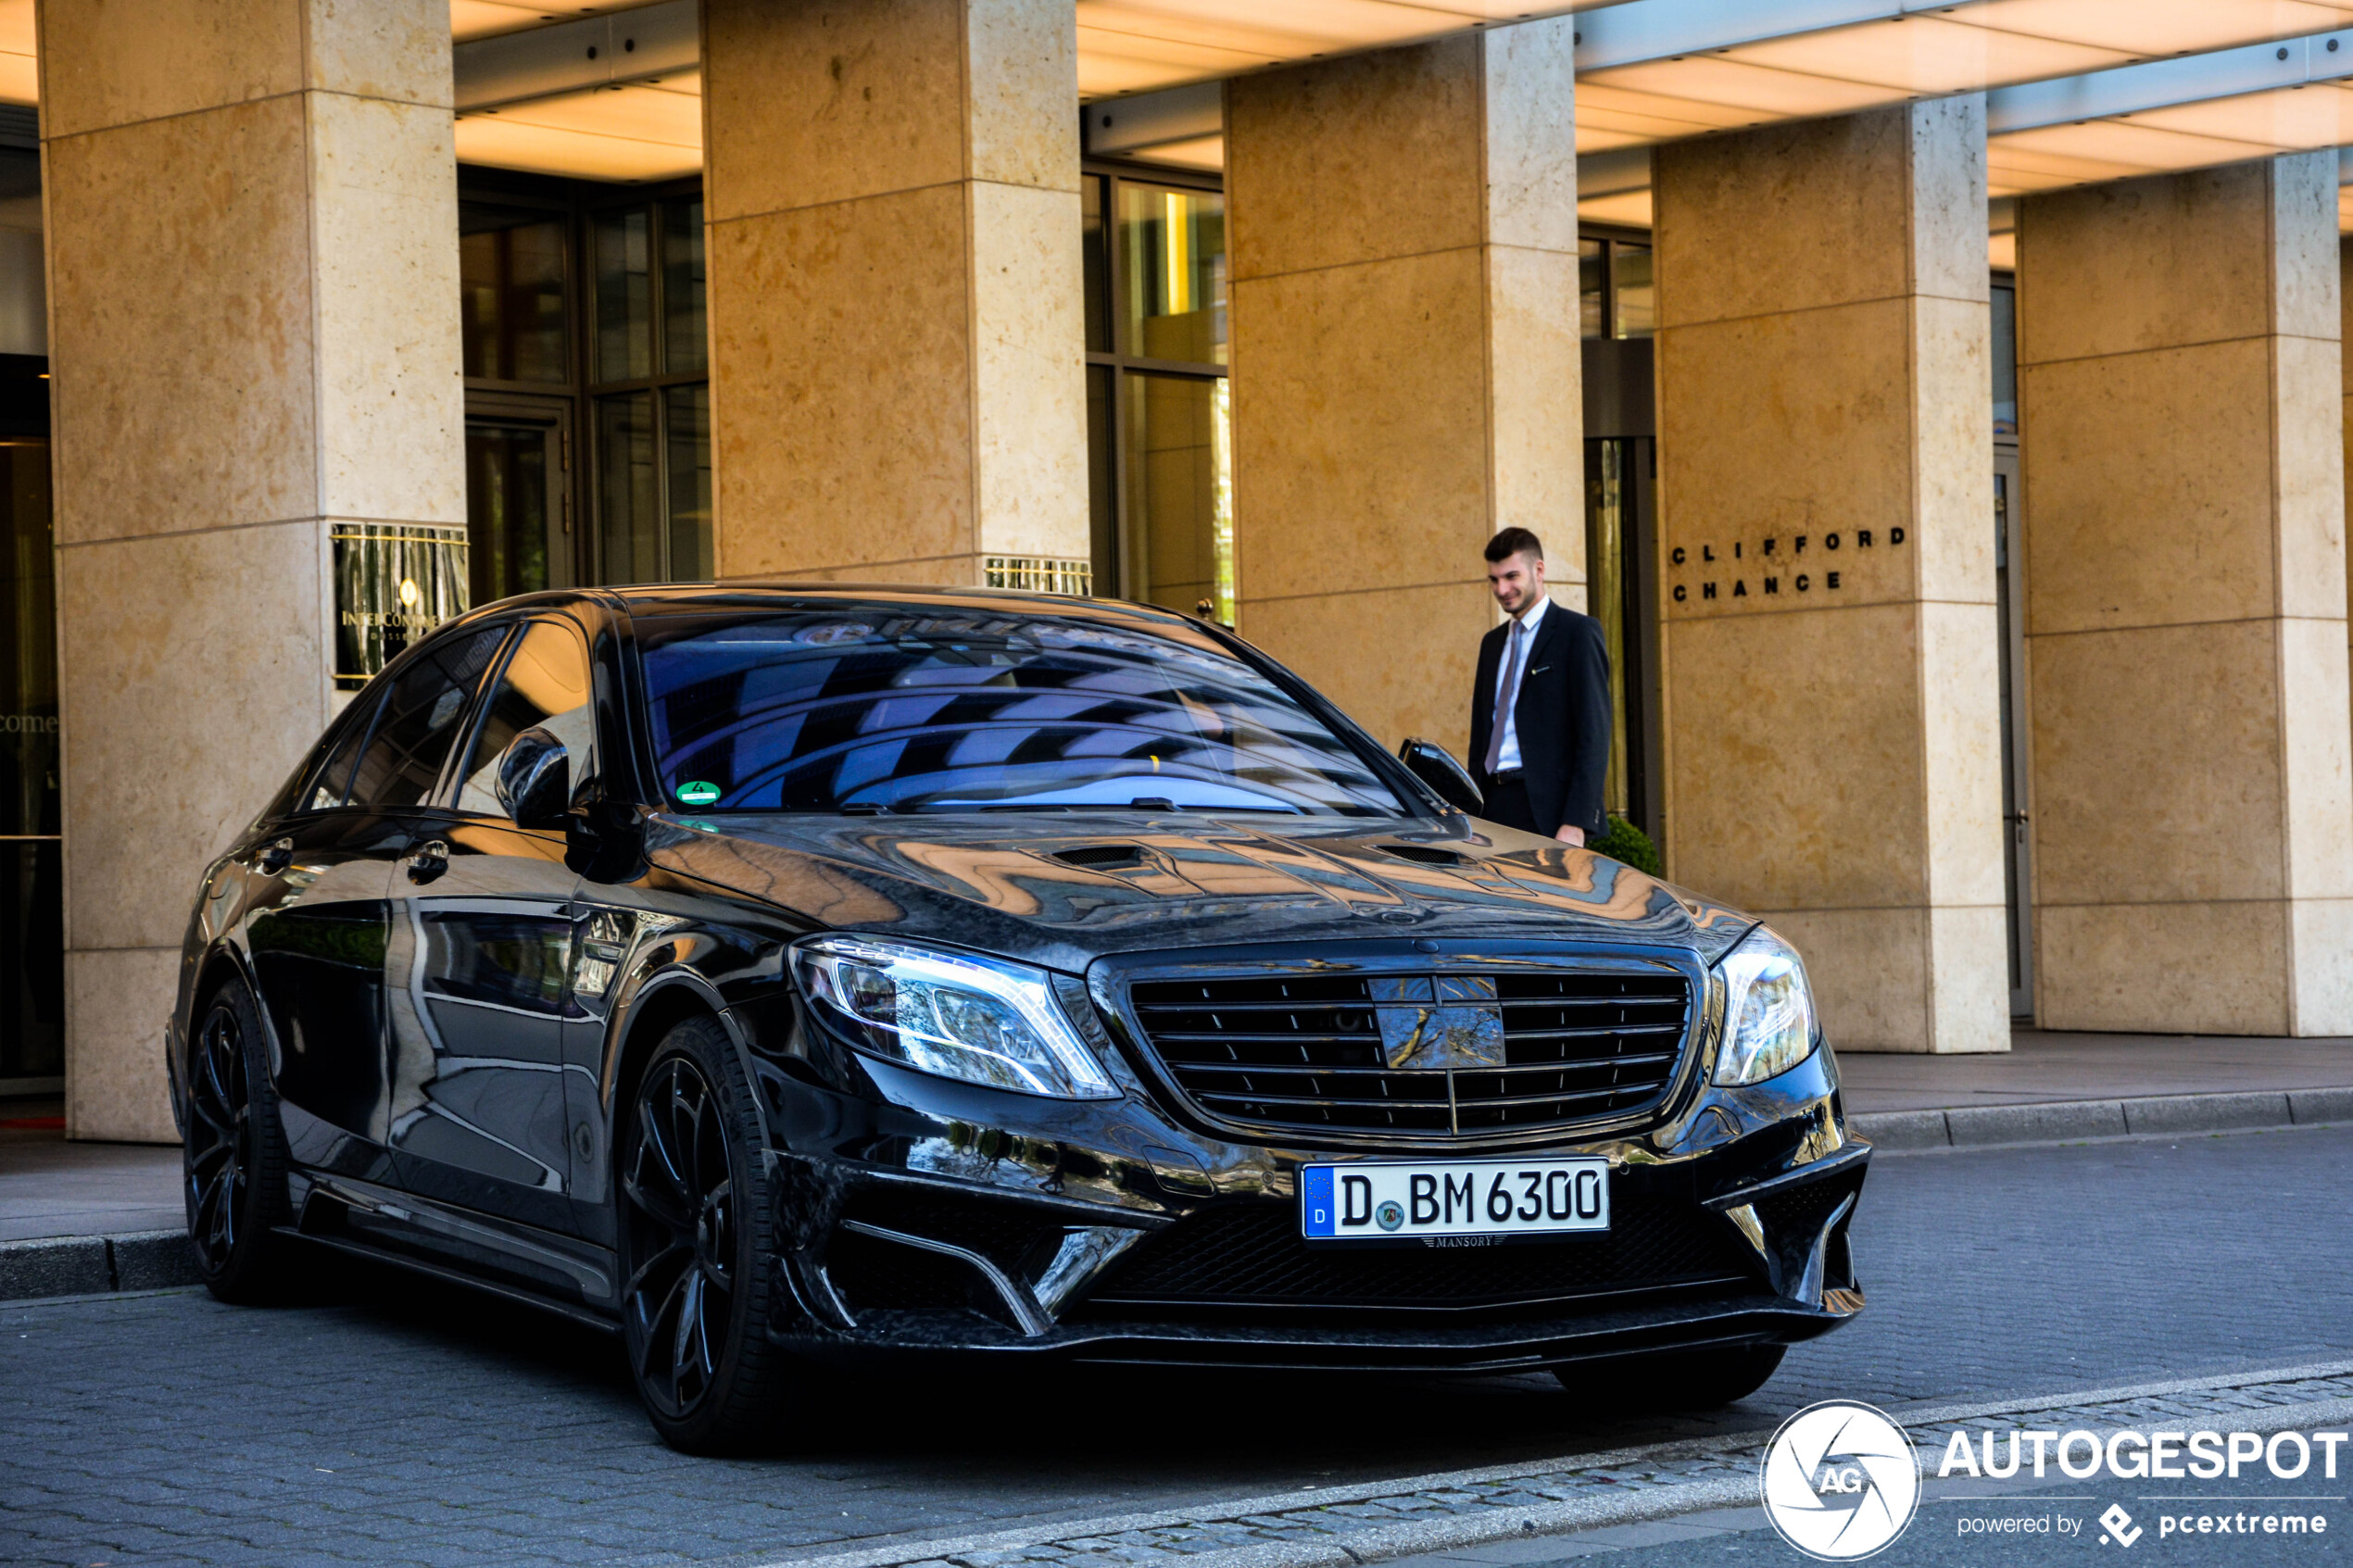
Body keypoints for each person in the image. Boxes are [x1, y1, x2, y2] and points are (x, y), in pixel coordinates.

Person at [1466, 527, 1612, 846]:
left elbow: (1595, 735)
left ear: (1539, 570)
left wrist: (1576, 821)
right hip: (1491, 809)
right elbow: (1481, 738)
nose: (1502, 589)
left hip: (1549, 814)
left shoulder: (1578, 633)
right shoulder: (1491, 644)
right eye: (1494, 579)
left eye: (1511, 576)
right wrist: (1472, 814)